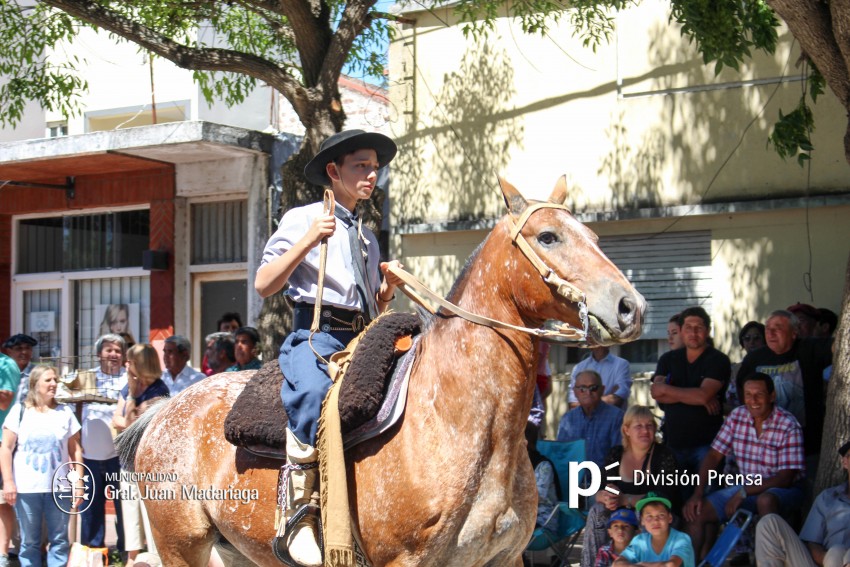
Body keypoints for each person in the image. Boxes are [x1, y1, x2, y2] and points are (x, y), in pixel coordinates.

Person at [255, 129, 404, 567]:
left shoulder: (366, 234)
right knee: (314, 396)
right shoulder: (304, 218)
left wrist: (387, 293)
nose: (371, 175)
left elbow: (368, 305)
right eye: (361, 166)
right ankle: (298, 514)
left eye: (375, 168)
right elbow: (264, 284)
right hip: (316, 335)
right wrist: (306, 242)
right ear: (334, 172)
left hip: (360, 336)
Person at [683, 372, 805, 559]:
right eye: (748, 394)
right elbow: (714, 455)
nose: (753, 400)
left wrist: (743, 492)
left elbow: (784, 478)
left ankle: (769, 563)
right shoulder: (737, 416)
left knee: (766, 500)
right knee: (696, 511)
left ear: (772, 396)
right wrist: (697, 493)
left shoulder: (788, 424)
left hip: (783, 490)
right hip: (746, 487)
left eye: (759, 394)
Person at [0, 366, 82, 567]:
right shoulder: (19, 412)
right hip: (27, 488)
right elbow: (6, 449)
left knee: (60, 540)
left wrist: (78, 483)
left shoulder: (65, 412)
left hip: (59, 488)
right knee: (29, 542)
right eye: (48, 380)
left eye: (55, 379)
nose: (54, 384)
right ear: (34, 384)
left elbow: (76, 451)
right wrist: (9, 482)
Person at [581, 406, 679, 567]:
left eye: (649, 426)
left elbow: (664, 497)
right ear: (626, 430)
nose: (645, 431)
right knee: (597, 512)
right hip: (620, 513)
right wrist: (606, 497)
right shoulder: (616, 454)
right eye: (638, 426)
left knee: (648, 515)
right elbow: (601, 487)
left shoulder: (664, 456)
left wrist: (626, 499)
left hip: (655, 515)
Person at [651, 306, 731, 498]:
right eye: (688, 327)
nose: (693, 332)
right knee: (675, 501)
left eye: (699, 327)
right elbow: (655, 391)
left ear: (708, 331)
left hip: (708, 447)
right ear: (681, 330)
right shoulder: (668, 359)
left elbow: (703, 395)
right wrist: (696, 396)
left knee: (704, 501)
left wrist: (670, 392)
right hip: (674, 443)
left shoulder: (718, 360)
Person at [736, 309, 832, 464]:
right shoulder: (754, 358)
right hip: (767, 447)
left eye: (778, 328)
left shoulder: (810, 348)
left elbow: (840, 347)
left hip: (808, 446)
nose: (771, 333)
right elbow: (742, 389)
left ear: (794, 333)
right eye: (768, 329)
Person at [113, 344, 169, 567]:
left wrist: (131, 400)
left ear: (141, 363)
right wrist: (131, 398)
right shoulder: (129, 387)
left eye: (130, 361)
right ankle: (131, 560)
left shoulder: (159, 391)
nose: (126, 365)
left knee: (150, 518)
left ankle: (155, 561)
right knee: (130, 517)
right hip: (127, 463)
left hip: (149, 467)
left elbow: (127, 423)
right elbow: (116, 420)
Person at [754, 438, 850, 567]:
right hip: (823, 562)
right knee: (769, 522)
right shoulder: (828, 497)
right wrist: (826, 559)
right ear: (845, 462)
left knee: (839, 551)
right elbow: (811, 542)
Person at [79, 333, 127, 555]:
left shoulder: (129, 379)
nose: (114, 354)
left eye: (118, 350)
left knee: (123, 506)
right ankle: (93, 552)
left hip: (119, 457)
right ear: (99, 354)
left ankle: (125, 550)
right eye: (109, 350)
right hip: (90, 454)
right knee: (91, 508)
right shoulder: (87, 378)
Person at [557, 370, 624, 470]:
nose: (588, 392)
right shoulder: (568, 419)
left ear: (602, 390)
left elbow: (619, 457)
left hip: (606, 481)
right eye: (582, 388)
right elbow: (561, 455)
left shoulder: (617, 417)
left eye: (593, 388)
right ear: (575, 392)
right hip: (574, 481)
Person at [614, 494, 696, 567]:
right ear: (642, 521)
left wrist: (642, 565)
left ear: (670, 518)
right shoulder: (639, 541)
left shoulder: (681, 539)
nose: (655, 521)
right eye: (649, 516)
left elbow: (671, 565)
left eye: (661, 515)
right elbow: (617, 563)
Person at [0, 354, 19, 567]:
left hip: (1, 442)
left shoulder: (5, 365)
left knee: (1, 502)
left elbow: (4, 402)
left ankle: (2, 554)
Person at [526, 422, 559, 534]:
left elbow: (536, 498)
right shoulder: (513, 466)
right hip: (520, 518)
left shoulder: (543, 466)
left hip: (542, 519)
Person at [725, 321, 765, 409]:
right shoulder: (734, 369)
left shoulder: (771, 366)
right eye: (747, 338)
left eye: (757, 338)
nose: (752, 342)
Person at [2, 334, 37, 405]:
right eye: (19, 348)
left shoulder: (38, 373)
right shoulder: (3, 373)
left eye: (27, 348)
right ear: (9, 352)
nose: (24, 352)